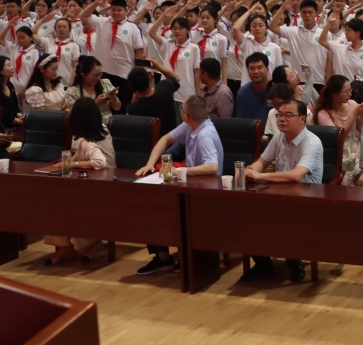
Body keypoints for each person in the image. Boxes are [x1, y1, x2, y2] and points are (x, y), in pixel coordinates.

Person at [133, 96, 223, 276]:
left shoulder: (205, 135)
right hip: (190, 185)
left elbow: (212, 167)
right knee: (150, 205)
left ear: (185, 115)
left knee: (163, 211)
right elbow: (165, 139)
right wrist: (150, 163)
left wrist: (180, 171)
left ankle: (185, 259)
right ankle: (163, 259)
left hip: (206, 191)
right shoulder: (190, 125)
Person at [242, 98, 324, 283]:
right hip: (279, 194)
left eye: (288, 115)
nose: (281, 119)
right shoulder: (279, 136)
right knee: (246, 213)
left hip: (307, 199)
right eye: (279, 115)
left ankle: (294, 260)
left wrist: (259, 176)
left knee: (282, 217)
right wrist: (252, 169)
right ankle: (263, 263)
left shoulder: (312, 142)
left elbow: (296, 175)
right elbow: (262, 162)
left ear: (302, 119)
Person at [43, 97, 116, 265]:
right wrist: (65, 163)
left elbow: (99, 162)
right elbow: (79, 154)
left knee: (75, 204)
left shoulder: (97, 135)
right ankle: (65, 246)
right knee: (55, 203)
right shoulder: (86, 133)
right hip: (88, 181)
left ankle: (91, 243)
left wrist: (73, 164)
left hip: (105, 183)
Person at [64, 55, 121, 126]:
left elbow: (117, 108)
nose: (98, 77)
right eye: (95, 75)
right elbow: (76, 115)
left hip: (107, 126)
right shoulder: (72, 92)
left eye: (100, 74)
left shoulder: (105, 83)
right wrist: (95, 103)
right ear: (83, 75)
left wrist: (114, 99)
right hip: (85, 128)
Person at [126, 66, 181, 134]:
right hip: (171, 137)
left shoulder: (133, 108)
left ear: (131, 86)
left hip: (149, 140)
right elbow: (176, 78)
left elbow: (130, 119)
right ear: (149, 77)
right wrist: (157, 66)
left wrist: (135, 95)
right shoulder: (165, 87)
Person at [234, 52, 272, 120]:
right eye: (252, 68)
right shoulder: (242, 93)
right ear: (248, 71)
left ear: (267, 69)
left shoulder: (277, 90)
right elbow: (240, 121)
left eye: (259, 67)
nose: (256, 72)